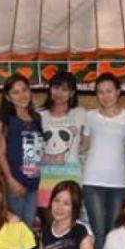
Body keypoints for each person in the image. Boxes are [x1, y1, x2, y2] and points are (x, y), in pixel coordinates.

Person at [81, 72, 125, 249]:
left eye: (109, 91)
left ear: (118, 92)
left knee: (113, 233)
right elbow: (84, 145)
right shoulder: (90, 116)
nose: (105, 96)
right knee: (98, 232)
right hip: (92, 181)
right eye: (100, 92)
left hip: (118, 183)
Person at [0, 73, 44, 230]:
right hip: (16, 183)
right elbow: (0, 153)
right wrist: (11, 180)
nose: (22, 95)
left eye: (24, 90)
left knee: (28, 228)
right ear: (8, 97)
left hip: (36, 183)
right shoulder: (6, 121)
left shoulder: (37, 118)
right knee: (15, 229)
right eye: (15, 92)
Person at [37, 71, 87, 226]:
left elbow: (86, 144)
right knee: (49, 226)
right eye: (56, 88)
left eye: (65, 89)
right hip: (45, 178)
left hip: (70, 177)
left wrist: (70, 153)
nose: (59, 93)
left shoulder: (80, 113)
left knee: (69, 226)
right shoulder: (39, 115)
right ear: (50, 89)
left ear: (72, 93)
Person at [38, 180, 96, 249]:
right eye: (56, 201)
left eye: (66, 203)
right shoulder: (45, 231)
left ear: (74, 207)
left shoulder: (81, 231)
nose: (59, 207)